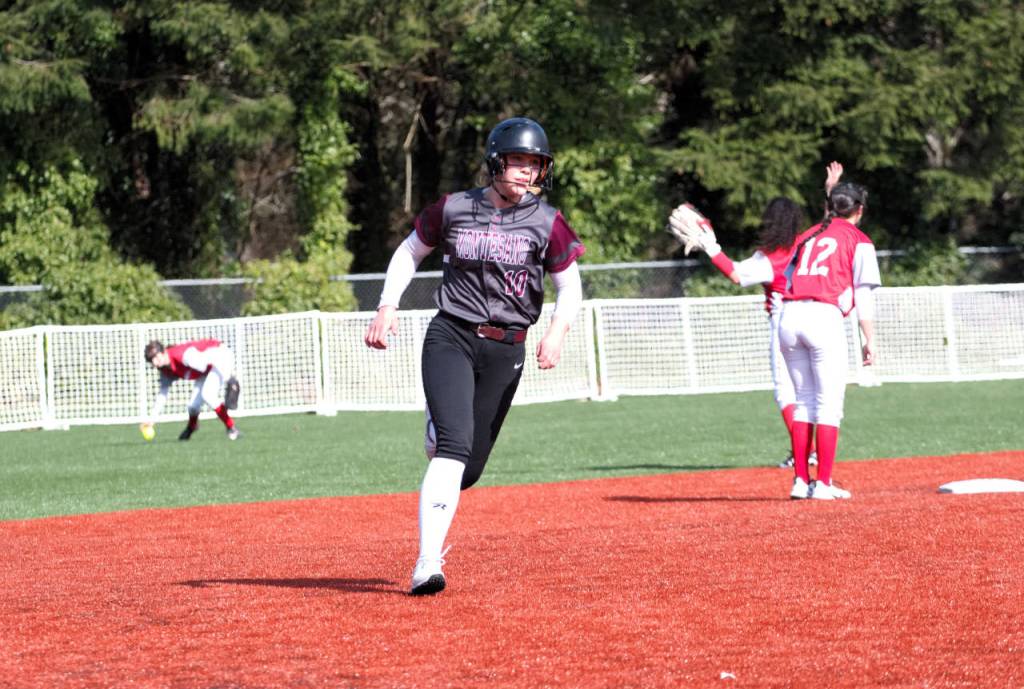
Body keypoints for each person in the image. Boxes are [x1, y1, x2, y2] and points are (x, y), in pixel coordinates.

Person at [364, 116, 585, 595]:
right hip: (452, 334)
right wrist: (387, 306)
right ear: (495, 161)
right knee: (454, 446)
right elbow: (409, 251)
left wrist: (557, 331)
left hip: (506, 349)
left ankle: (440, 430)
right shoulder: (455, 208)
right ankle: (426, 563)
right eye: (519, 161)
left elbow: (570, 286)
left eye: (535, 164)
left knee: (470, 469)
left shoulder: (548, 221)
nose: (528, 172)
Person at [668, 163, 845, 469]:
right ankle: (809, 452)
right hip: (823, 318)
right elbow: (830, 224)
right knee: (818, 394)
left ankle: (807, 452)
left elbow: (736, 274)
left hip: (785, 322)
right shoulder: (809, 244)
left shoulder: (770, 256)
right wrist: (831, 190)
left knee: (788, 393)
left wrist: (712, 248)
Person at [778, 180, 881, 499]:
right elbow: (863, 293)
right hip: (823, 316)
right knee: (829, 404)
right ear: (860, 210)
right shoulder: (859, 239)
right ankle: (822, 483)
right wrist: (869, 338)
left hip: (789, 314)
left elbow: (787, 276)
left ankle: (799, 481)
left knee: (804, 400)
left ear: (830, 206)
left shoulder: (807, 234)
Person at [141, 339, 241, 441]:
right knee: (193, 406)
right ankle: (192, 427)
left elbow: (210, 358)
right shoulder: (165, 369)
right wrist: (152, 419)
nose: (155, 362)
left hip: (221, 356)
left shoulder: (183, 356)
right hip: (206, 369)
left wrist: (228, 378)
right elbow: (162, 395)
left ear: (164, 351)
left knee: (208, 394)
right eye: (151, 360)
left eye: (156, 357)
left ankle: (231, 427)